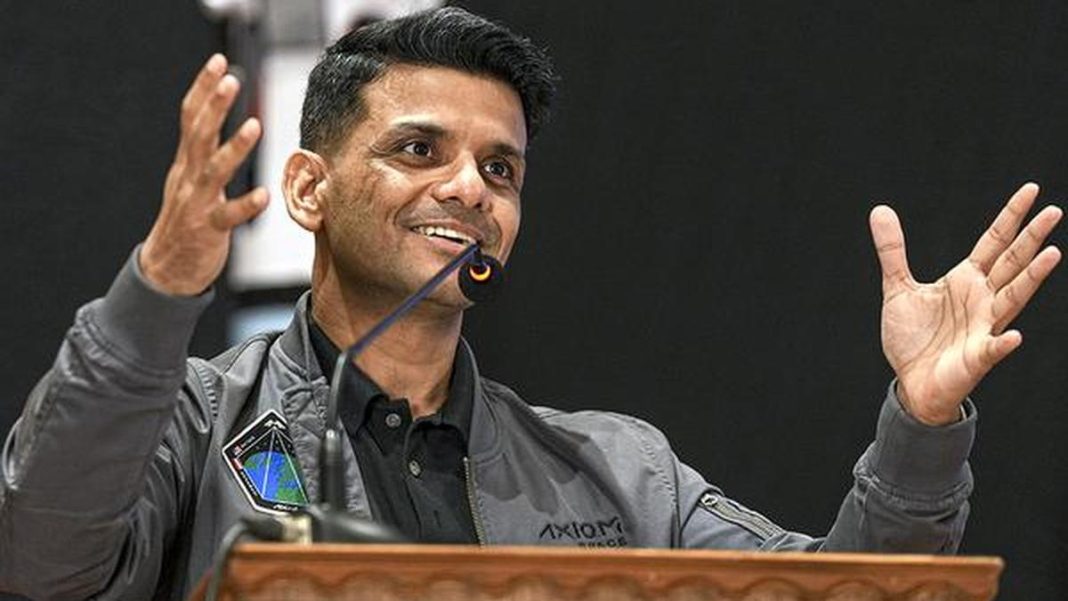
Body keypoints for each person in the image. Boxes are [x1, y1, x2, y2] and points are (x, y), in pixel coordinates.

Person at [0, 7, 1061, 601]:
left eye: (500, 169)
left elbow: (854, 596)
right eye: (420, 149)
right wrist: (161, 286)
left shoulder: (622, 471)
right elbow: (40, 561)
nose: (470, 188)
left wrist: (923, 421)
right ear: (310, 190)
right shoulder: (196, 423)